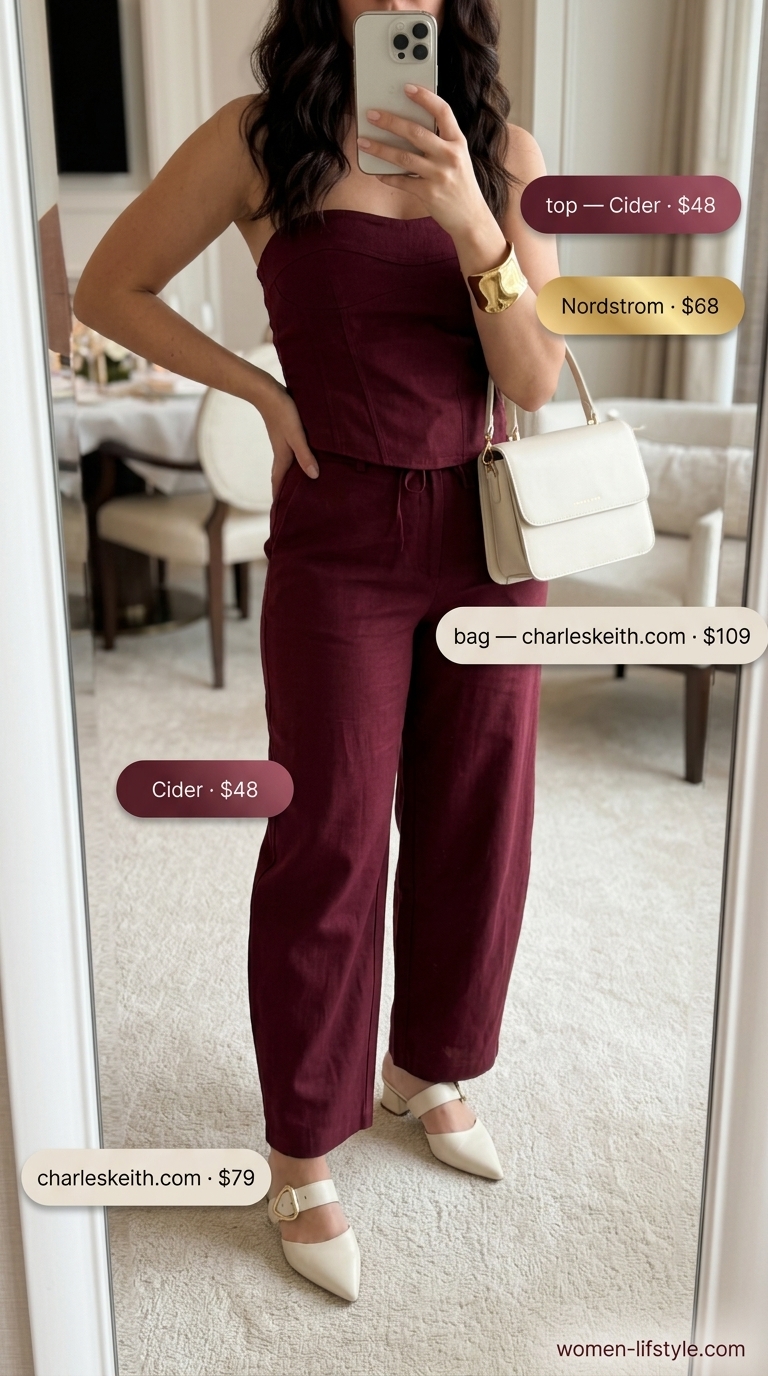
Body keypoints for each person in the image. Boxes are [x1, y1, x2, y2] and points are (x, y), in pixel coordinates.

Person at [74, 0, 563, 1304]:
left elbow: (535, 373)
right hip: (340, 530)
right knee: (331, 835)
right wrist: (259, 388)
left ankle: (428, 1069)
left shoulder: (503, 146)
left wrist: (472, 216)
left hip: (486, 532)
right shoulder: (260, 137)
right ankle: (301, 1142)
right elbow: (105, 286)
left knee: (478, 819)